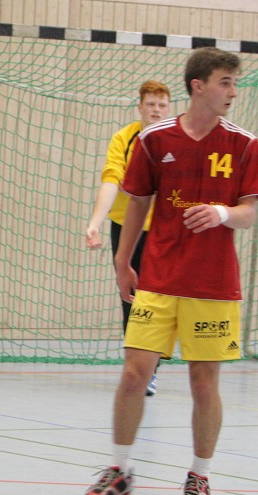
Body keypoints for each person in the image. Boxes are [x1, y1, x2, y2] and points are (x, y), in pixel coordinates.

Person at [82, 48, 258, 495]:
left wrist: (223, 213)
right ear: (198, 86)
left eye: (234, 83)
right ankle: (119, 470)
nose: (233, 92)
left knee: (204, 383)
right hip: (158, 278)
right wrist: (123, 262)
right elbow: (137, 202)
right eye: (224, 82)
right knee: (134, 375)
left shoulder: (244, 144)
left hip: (213, 285)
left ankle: (199, 477)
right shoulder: (154, 139)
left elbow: (251, 210)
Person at [85, 80, 172, 396]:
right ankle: (136, 366)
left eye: (162, 105)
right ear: (140, 107)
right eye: (151, 104)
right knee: (131, 295)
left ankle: (151, 368)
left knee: (157, 297)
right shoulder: (125, 138)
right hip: (128, 226)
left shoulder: (177, 140)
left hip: (164, 229)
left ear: (169, 108)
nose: (156, 110)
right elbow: (110, 181)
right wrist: (94, 223)